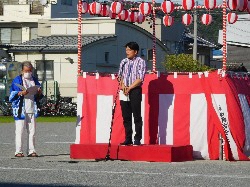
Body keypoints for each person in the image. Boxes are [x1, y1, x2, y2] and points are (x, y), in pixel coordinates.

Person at [9, 61, 43, 157]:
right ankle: (18, 151)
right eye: (26, 71)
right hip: (21, 109)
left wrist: (39, 92)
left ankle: (31, 150)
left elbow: (39, 93)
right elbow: (12, 95)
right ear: (22, 71)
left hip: (32, 108)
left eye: (30, 71)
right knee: (20, 130)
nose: (28, 72)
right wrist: (20, 93)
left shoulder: (34, 80)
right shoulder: (17, 80)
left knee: (32, 131)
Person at [118, 42, 146, 146]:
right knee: (126, 116)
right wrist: (123, 86)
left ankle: (137, 138)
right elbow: (119, 76)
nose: (127, 52)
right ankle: (128, 138)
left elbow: (140, 78)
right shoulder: (123, 62)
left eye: (129, 50)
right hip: (124, 90)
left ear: (135, 52)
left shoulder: (140, 62)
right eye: (126, 50)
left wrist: (129, 87)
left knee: (136, 115)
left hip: (134, 90)